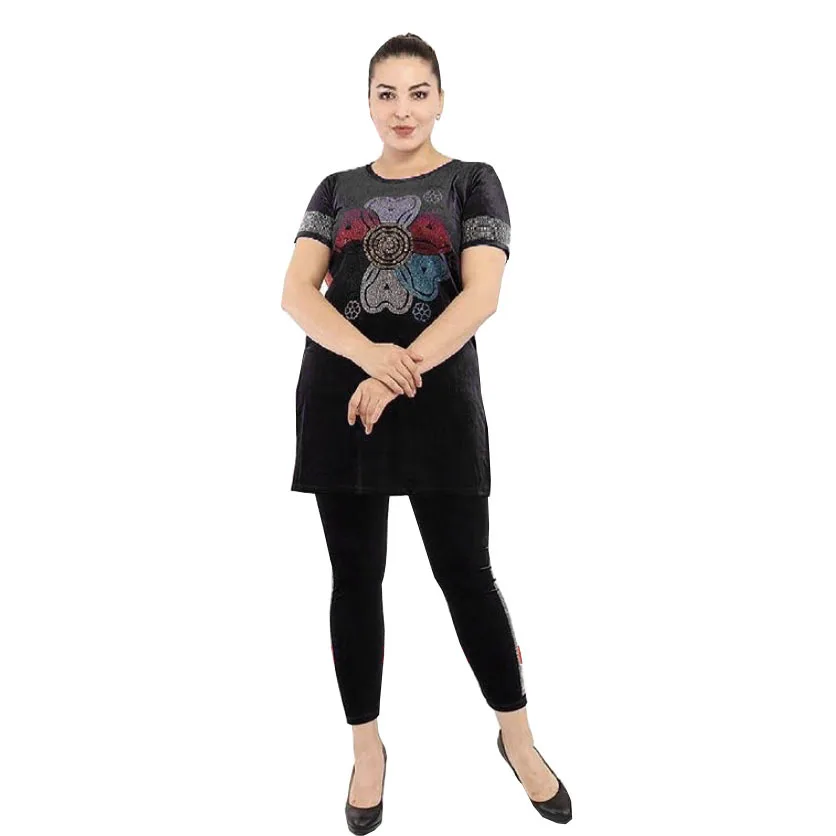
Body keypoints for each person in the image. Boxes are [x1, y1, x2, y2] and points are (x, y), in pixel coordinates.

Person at [281, 33, 572, 832]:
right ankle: (367, 749)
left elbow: (481, 296)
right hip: (339, 398)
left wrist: (390, 373)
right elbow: (298, 294)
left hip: (437, 396)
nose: (402, 110)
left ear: (440, 99)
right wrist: (366, 362)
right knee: (354, 579)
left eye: (417, 93)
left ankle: (518, 737)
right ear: (368, 102)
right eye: (387, 93)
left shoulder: (473, 181)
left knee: (466, 576)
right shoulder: (336, 188)